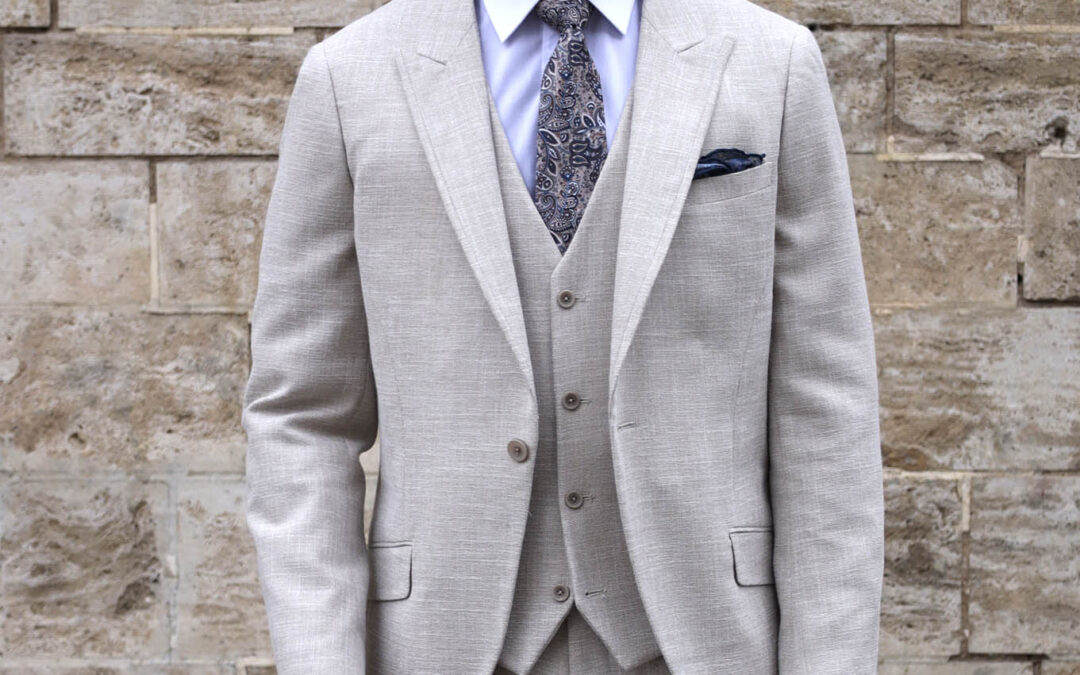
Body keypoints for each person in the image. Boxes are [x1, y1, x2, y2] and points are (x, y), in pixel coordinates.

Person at [241, 0, 884, 672]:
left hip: (704, 641)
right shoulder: (348, 77)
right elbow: (302, 415)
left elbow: (826, 408)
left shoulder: (773, 63)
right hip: (445, 643)